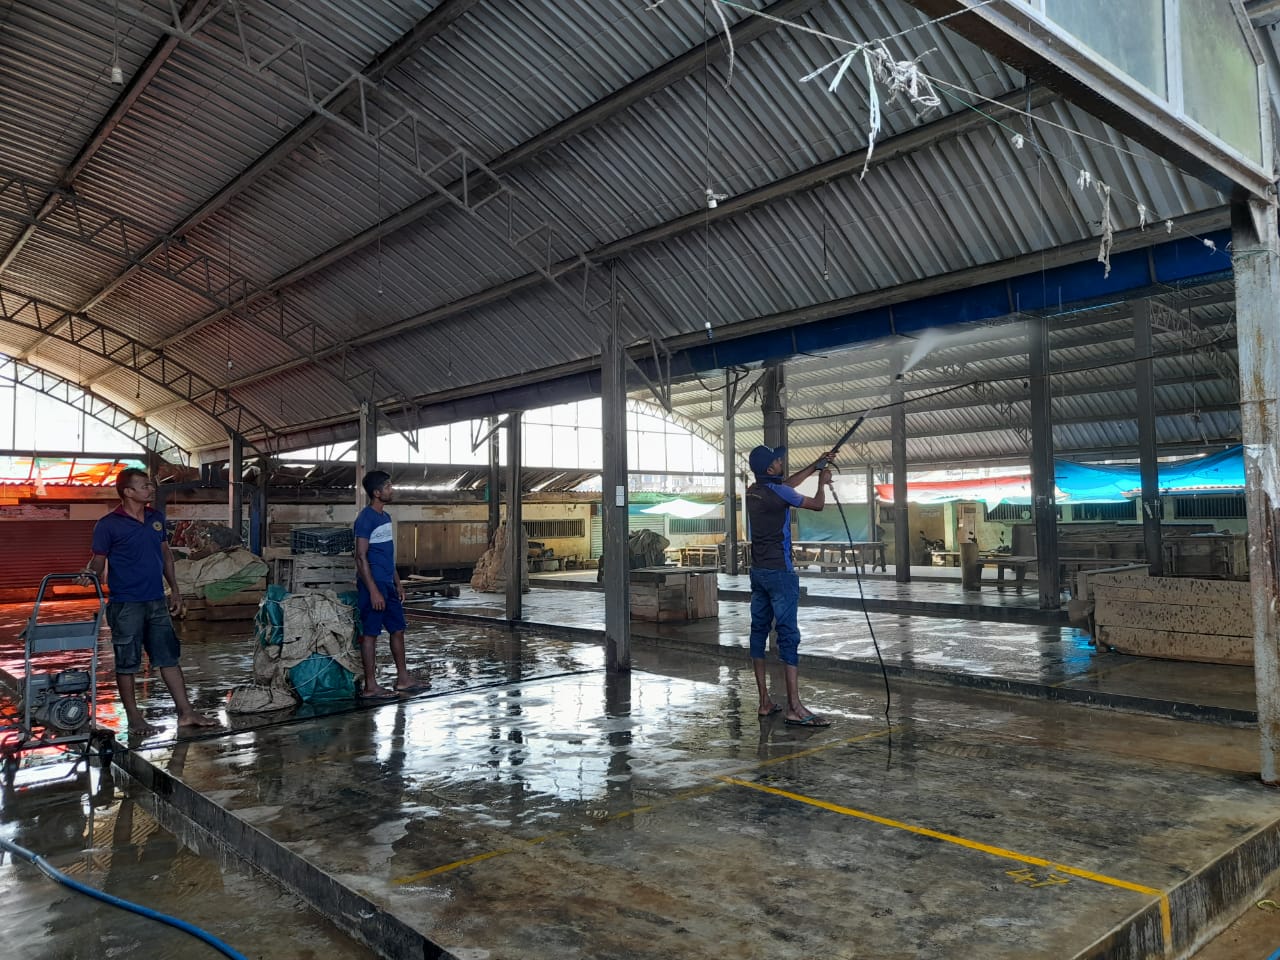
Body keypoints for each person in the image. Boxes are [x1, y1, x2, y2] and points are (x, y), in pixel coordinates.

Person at [83, 468, 218, 735]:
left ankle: (186, 713)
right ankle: (134, 718)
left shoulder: (156, 518)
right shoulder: (108, 524)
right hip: (126, 604)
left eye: (150, 485)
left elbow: (165, 555)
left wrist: (175, 590)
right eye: (145, 486)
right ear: (128, 492)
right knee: (127, 663)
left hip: (156, 600)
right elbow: (98, 559)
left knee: (168, 657)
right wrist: (89, 573)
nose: (151, 489)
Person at [745, 445, 837, 727]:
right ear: (770, 469)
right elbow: (817, 504)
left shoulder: (753, 490)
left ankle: (764, 701)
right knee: (788, 636)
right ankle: (794, 707)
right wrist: (822, 482)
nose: (781, 460)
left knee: (758, 632)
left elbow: (784, 486)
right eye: (777, 459)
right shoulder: (780, 492)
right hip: (780, 573)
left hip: (758, 571)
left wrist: (815, 465)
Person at [353, 471, 428, 700]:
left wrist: (398, 583)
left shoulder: (385, 518)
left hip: (388, 584)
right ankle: (371, 686)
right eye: (387, 487)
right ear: (377, 493)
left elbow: (387, 554)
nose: (391, 490)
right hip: (372, 585)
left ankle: (403, 679)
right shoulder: (365, 519)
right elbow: (360, 556)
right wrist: (374, 590)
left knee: (398, 629)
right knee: (371, 634)